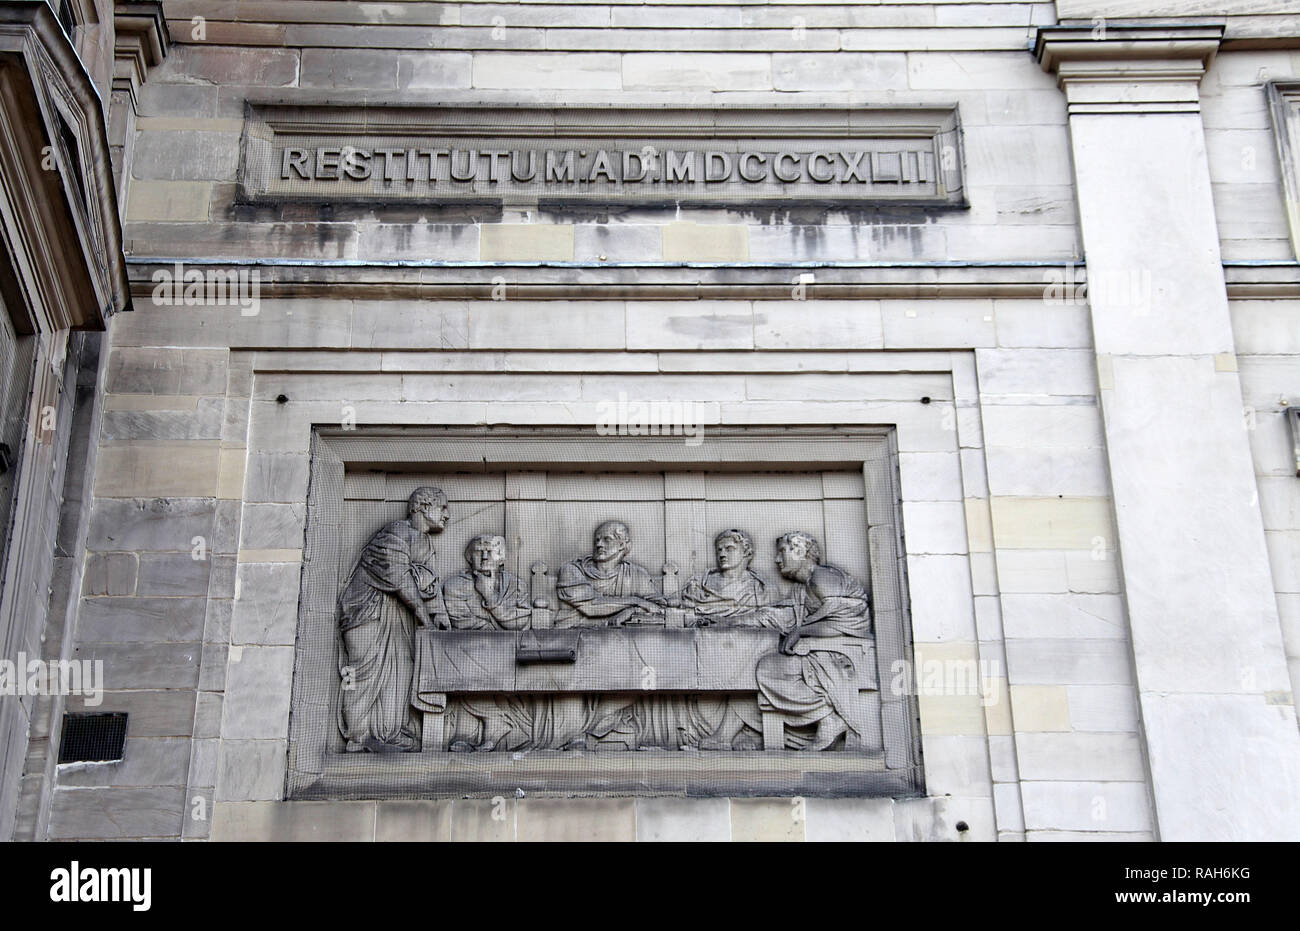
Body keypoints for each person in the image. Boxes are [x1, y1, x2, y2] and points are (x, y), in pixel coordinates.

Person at [337, 486, 448, 752]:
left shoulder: (422, 542)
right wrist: (425, 618)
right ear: (421, 506)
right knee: (359, 673)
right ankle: (357, 735)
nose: (447, 515)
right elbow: (400, 579)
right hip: (367, 616)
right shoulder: (395, 533)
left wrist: (439, 615)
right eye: (442, 507)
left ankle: (389, 733)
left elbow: (426, 582)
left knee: (400, 673)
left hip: (398, 622)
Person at [755, 531, 873, 751]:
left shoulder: (822, 577)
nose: (777, 559)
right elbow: (782, 614)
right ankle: (827, 715)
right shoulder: (803, 588)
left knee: (769, 668)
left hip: (838, 653)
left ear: (799, 551)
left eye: (782, 552)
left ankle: (831, 716)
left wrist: (801, 632)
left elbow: (848, 620)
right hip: (820, 649)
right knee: (768, 666)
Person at [441, 534, 536, 752]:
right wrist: (503, 623)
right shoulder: (455, 586)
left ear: (501, 557)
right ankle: (489, 728)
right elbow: (462, 623)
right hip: (472, 653)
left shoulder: (516, 585)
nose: (484, 556)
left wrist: (489, 597)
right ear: (469, 557)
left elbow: (522, 622)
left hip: (512, 656)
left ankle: (502, 729)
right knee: (462, 670)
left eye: (491, 551)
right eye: (478, 551)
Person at [554, 520, 665, 627]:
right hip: (571, 637)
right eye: (597, 540)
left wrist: (632, 610)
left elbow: (659, 608)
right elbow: (590, 606)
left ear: (621, 545)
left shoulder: (636, 574)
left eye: (607, 539)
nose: (599, 544)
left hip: (627, 639)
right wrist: (636, 601)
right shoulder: (571, 570)